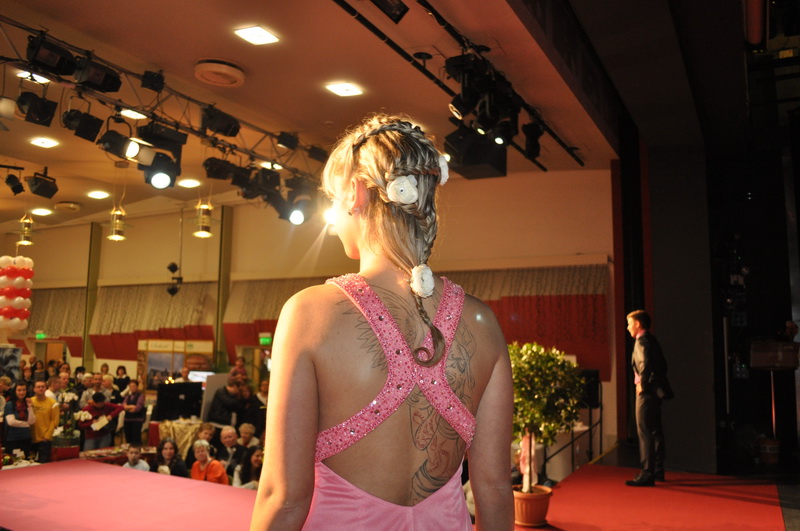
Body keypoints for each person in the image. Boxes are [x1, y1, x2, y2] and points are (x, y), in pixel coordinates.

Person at [250, 114, 514, 530]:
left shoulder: (309, 314)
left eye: (332, 198)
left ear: (356, 192)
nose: (332, 219)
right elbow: (495, 490)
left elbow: (284, 499)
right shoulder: (483, 322)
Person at [626, 309, 674, 487]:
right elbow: (662, 365)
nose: (628, 327)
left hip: (646, 393)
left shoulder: (641, 342)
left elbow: (645, 364)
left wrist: (643, 385)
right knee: (655, 431)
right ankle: (657, 470)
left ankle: (647, 472)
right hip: (655, 392)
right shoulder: (652, 340)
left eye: (630, 323)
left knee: (644, 431)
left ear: (638, 324)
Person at [4, 380, 36, 458]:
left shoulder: (28, 404)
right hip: (13, 439)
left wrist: (30, 407)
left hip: (26, 438)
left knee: (27, 461)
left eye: (24, 390)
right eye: (19, 390)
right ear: (15, 391)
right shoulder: (9, 404)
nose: (22, 392)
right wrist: (26, 424)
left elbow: (32, 421)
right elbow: (11, 422)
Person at [30, 379, 59, 463]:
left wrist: (47, 436)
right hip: (31, 438)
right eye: (38, 387)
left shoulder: (53, 403)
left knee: (44, 464)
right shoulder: (30, 402)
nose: (41, 388)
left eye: (43, 387)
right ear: (34, 389)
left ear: (46, 388)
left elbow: (55, 421)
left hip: (45, 439)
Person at [122, 379, 145, 445]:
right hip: (127, 419)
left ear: (137, 387)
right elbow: (123, 406)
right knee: (128, 439)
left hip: (137, 420)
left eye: (134, 386)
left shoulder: (141, 396)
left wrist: (128, 407)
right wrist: (132, 406)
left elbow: (137, 408)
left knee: (136, 439)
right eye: (131, 386)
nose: (132, 388)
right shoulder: (128, 396)